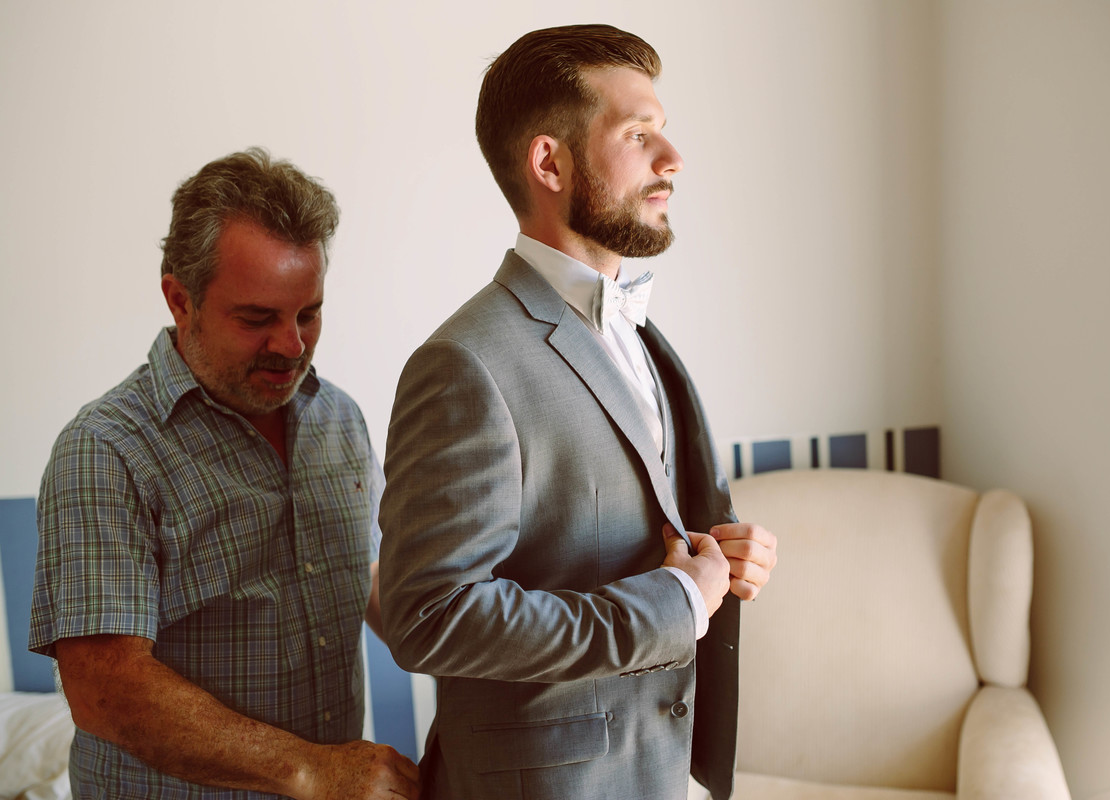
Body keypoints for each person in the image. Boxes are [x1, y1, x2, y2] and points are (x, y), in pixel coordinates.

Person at [378, 24, 777, 800]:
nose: (673, 158)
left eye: (663, 130)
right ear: (549, 163)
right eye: (639, 134)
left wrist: (723, 557)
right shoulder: (464, 364)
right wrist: (675, 603)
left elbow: (640, 532)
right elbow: (429, 617)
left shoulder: (639, 333)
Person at [28, 148, 419, 800]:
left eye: (308, 313)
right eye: (257, 318)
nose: (292, 345)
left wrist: (495, 642)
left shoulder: (339, 418)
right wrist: (312, 770)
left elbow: (369, 574)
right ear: (180, 300)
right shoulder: (106, 450)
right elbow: (105, 689)